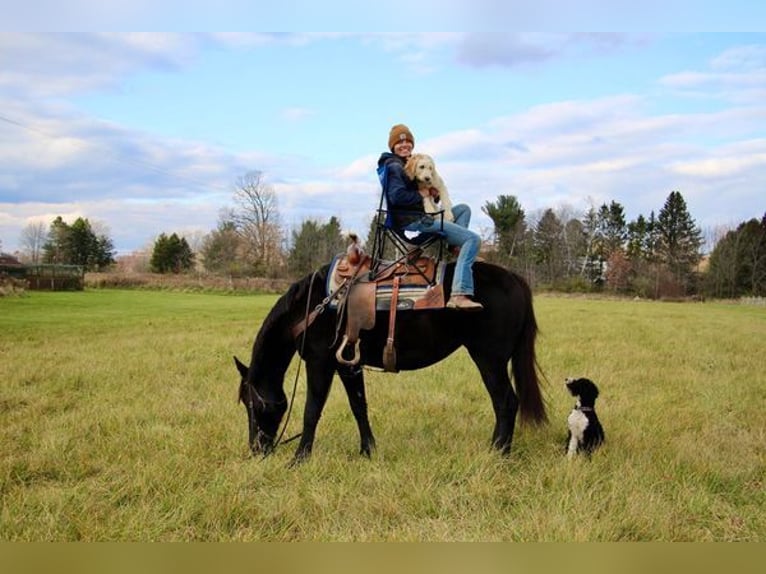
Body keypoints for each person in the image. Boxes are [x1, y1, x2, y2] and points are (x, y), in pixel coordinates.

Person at [377, 123, 483, 310]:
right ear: (392, 146)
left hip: (423, 214)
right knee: (473, 240)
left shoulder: (408, 162)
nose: (405, 145)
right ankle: (459, 292)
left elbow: (422, 189)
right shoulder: (394, 166)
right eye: (400, 143)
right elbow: (396, 196)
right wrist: (422, 195)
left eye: (408, 142)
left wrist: (431, 194)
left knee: (463, 209)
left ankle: (454, 247)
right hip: (414, 221)